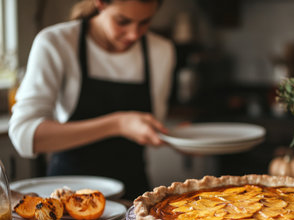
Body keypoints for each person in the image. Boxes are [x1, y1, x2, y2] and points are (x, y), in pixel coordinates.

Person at [8, 0, 176, 200]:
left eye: (145, 22)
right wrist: (118, 124)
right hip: (68, 199)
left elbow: (151, 122)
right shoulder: (57, 42)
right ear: (100, 4)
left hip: (134, 198)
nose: (133, 34)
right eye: (122, 21)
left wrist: (180, 139)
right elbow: (25, 135)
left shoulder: (161, 50)